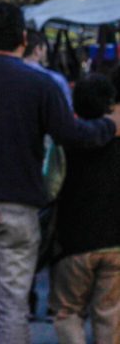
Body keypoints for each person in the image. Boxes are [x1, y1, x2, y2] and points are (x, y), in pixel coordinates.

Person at [0, 2, 120, 344]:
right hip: (19, 205)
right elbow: (70, 135)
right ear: (23, 38)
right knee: (13, 304)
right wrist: (108, 126)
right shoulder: (41, 84)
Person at [49, 71, 120, 344]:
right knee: (110, 313)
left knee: (68, 311)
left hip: (72, 242)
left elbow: (49, 189)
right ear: (110, 103)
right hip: (114, 241)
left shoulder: (65, 145)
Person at [24, 30, 72, 106]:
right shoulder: (55, 80)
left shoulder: (7, 75)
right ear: (37, 50)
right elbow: (67, 110)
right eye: (45, 48)